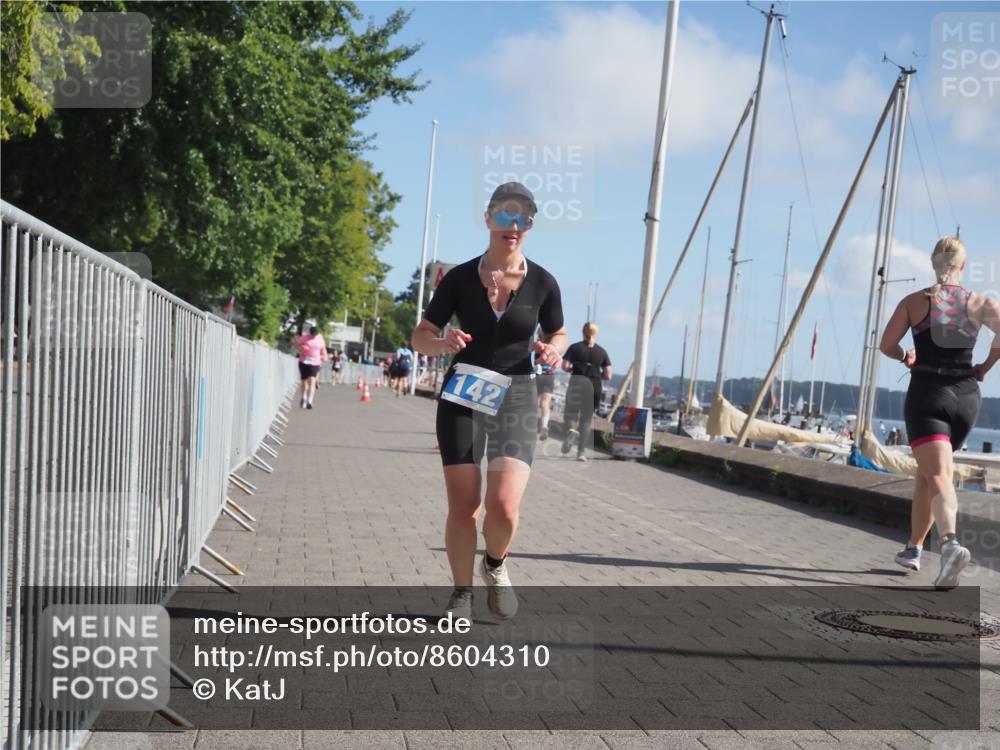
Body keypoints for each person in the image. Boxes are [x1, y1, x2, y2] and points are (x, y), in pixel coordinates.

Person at [411, 182, 566, 623]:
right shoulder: (459, 278)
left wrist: (553, 348)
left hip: (517, 395)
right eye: (505, 217)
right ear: (488, 219)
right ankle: (461, 593)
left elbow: (558, 331)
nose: (513, 227)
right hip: (464, 394)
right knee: (464, 505)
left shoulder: (543, 282)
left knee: (503, 506)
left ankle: (495, 565)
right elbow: (420, 336)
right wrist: (441, 342)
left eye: (524, 220)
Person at [879, 236, 1000, 589]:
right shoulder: (979, 303)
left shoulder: (915, 302)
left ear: (934, 264)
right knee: (928, 475)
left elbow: (887, 345)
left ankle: (950, 544)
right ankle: (913, 548)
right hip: (966, 399)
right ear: (962, 266)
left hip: (929, 395)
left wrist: (906, 357)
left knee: (939, 476)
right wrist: (987, 366)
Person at [561, 322, 612, 461]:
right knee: (586, 419)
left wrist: (572, 370)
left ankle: (572, 431)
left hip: (577, 383)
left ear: (583, 332)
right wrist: (596, 375)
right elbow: (608, 375)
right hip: (594, 386)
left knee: (570, 414)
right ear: (596, 333)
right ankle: (581, 452)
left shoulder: (575, 347)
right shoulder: (602, 351)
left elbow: (564, 366)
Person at [296, 326, 328, 409]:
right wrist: (302, 348)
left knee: (312, 380)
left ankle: (310, 401)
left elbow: (323, 349)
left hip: (315, 362)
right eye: (312, 335)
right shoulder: (304, 338)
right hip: (304, 361)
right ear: (310, 333)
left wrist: (325, 356)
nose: (313, 336)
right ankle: (303, 397)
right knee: (304, 381)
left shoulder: (320, 339)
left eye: (315, 335)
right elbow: (298, 346)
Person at [534, 346, 556, 441]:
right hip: (549, 376)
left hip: (538, 375)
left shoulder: (539, 347)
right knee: (545, 403)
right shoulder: (555, 347)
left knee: (534, 402)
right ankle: (544, 425)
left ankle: (530, 424)